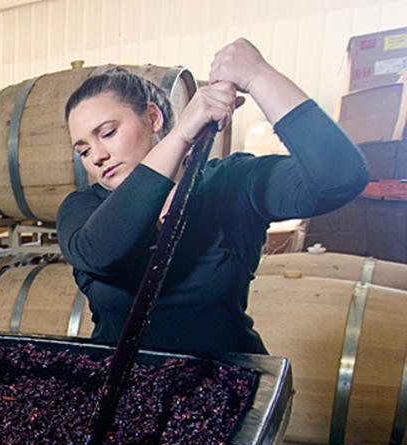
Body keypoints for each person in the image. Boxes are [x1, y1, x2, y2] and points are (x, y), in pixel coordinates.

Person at [56, 38, 369, 353]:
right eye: (83, 150)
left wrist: (258, 76)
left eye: (108, 133)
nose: (96, 156)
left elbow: (339, 178)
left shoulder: (231, 184)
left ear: (153, 118)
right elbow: (104, 252)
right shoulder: (84, 208)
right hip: (127, 393)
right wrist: (181, 134)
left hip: (224, 388)